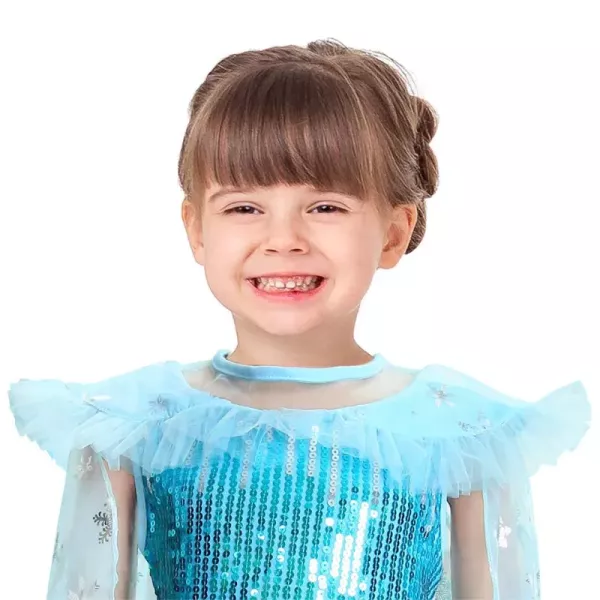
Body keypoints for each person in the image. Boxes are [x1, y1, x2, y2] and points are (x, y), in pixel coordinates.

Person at [8, 38, 590, 600]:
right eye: (244, 207)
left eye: (325, 207)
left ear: (394, 233)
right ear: (197, 230)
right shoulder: (132, 426)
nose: (283, 239)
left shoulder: (462, 434)